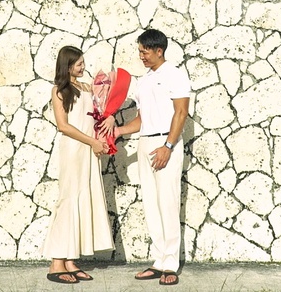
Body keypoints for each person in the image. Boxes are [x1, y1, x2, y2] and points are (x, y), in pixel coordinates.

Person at [113, 29, 191, 287]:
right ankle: (158, 261)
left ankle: (171, 264)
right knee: (151, 205)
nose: (141, 56)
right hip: (146, 142)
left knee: (168, 203)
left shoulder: (175, 75)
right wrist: (119, 131)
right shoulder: (144, 80)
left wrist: (168, 145)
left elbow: (181, 113)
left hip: (166, 143)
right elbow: (141, 119)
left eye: (145, 51)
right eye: (139, 51)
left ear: (159, 50)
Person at [41, 46, 114, 284]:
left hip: (90, 149)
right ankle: (56, 262)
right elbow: (63, 126)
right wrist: (92, 141)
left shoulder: (87, 87)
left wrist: (110, 118)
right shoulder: (59, 90)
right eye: (78, 64)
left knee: (83, 199)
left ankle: (71, 260)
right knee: (68, 201)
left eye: (83, 63)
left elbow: (98, 114)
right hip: (74, 149)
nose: (83, 67)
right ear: (68, 65)